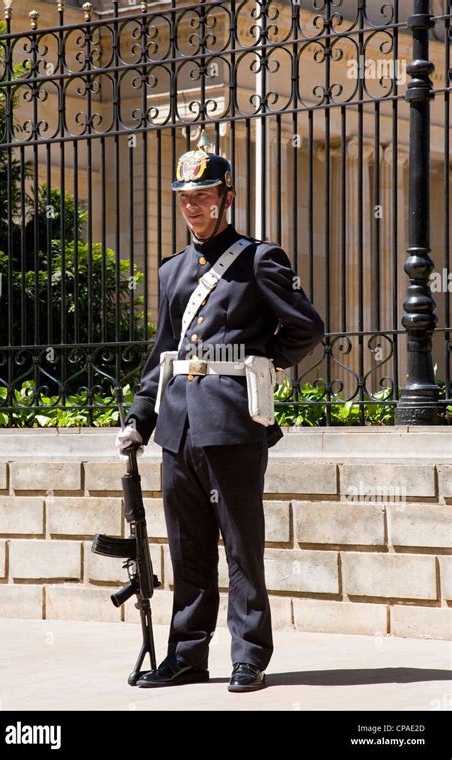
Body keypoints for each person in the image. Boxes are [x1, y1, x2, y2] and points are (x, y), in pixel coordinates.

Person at [116, 131, 325, 692]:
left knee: (240, 545)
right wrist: (140, 415)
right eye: (186, 196)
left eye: (204, 195)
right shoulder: (171, 271)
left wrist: (260, 361)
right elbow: (163, 351)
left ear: (226, 198)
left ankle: (249, 656)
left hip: (232, 423)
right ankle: (187, 654)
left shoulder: (259, 260)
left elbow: (307, 327)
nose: (194, 205)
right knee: (187, 547)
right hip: (177, 426)